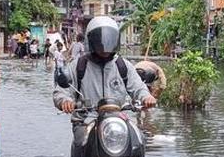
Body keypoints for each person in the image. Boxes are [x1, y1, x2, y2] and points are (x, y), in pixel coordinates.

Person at [54, 17, 157, 149]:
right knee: (81, 143)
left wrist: (146, 97)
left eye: (110, 39)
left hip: (119, 120)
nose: (105, 45)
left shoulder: (123, 66)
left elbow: (138, 87)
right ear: (92, 41)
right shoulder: (78, 66)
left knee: (139, 142)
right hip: (87, 121)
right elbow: (61, 91)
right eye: (100, 40)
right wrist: (65, 101)